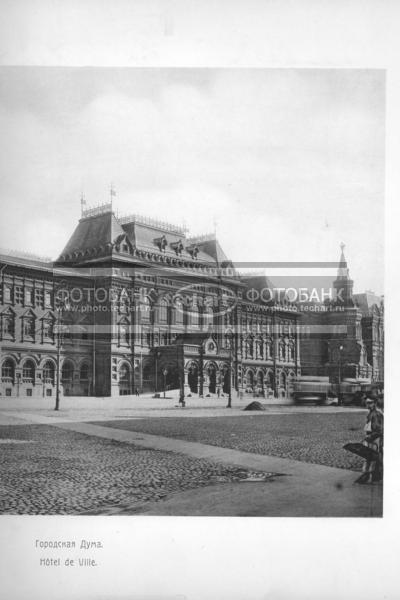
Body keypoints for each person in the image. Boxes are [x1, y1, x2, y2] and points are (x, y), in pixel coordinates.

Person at [355, 395, 383, 484]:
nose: (368, 405)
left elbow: (380, 430)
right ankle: (368, 475)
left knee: (373, 458)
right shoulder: (371, 413)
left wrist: (370, 437)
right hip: (370, 439)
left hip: (375, 439)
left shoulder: (377, 414)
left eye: (370, 403)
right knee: (369, 457)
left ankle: (371, 476)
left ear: (374, 403)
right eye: (367, 403)